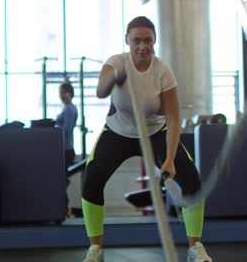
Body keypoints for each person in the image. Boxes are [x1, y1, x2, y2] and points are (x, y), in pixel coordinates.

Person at [81, 16, 212, 262]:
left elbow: (173, 119)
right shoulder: (116, 62)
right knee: (92, 179)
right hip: (118, 132)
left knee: (192, 180)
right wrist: (115, 76)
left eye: (148, 41)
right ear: (127, 41)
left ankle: (196, 247)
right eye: (137, 40)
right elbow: (100, 91)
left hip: (155, 132)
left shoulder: (162, 72)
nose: (142, 46)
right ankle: (95, 249)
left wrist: (170, 159)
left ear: (154, 42)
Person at [55, 81, 79, 217]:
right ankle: (64, 209)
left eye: (62, 92)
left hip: (66, 149)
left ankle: (64, 209)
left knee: (61, 181)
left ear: (68, 93)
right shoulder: (67, 108)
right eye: (60, 93)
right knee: (61, 181)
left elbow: (66, 130)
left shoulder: (69, 109)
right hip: (65, 148)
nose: (61, 95)